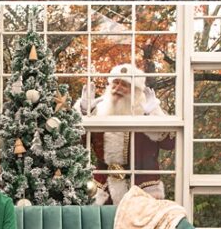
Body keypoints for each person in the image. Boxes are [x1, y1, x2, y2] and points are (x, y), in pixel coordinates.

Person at [74, 64, 174, 205]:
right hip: (103, 186)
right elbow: (77, 142)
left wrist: (153, 116)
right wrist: (84, 113)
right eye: (115, 82)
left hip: (143, 186)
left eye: (125, 84)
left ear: (136, 91)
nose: (118, 88)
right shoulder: (99, 109)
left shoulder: (146, 109)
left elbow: (169, 143)